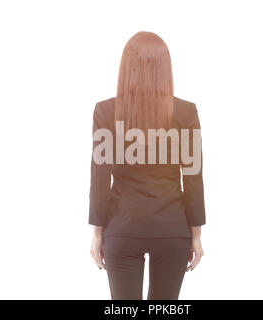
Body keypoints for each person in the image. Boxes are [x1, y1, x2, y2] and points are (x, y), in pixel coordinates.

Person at [89, 31, 206, 300]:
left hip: (122, 228)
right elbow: (192, 176)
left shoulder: (105, 111)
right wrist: (196, 235)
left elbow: (99, 177)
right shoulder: (186, 112)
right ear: (165, 69)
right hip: (172, 229)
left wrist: (97, 232)